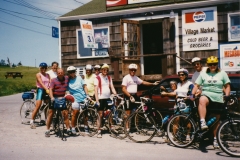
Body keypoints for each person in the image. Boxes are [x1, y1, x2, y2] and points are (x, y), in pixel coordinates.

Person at [191, 56, 231, 149]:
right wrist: (192, 94)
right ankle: (202, 122)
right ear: (208, 65)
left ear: (217, 64)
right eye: (210, 64)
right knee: (202, 99)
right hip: (207, 95)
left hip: (218, 97)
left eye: (214, 64)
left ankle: (215, 139)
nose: (212, 66)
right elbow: (196, 85)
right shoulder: (203, 73)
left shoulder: (222, 73)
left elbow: (227, 86)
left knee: (216, 121)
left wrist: (227, 95)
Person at [121, 63, 159, 131]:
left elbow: (143, 82)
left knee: (137, 111)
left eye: (134, 70)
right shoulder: (126, 78)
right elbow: (123, 89)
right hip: (128, 95)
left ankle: (136, 126)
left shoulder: (136, 78)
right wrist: (129, 96)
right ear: (129, 70)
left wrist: (153, 83)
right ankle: (127, 128)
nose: (133, 71)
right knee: (128, 112)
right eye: (132, 70)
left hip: (135, 95)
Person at [45, 68, 70, 137]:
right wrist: (52, 97)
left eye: (61, 72)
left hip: (62, 98)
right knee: (51, 113)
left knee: (65, 113)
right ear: (57, 73)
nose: (60, 74)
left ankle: (68, 129)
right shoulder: (53, 80)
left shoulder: (67, 78)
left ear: (64, 73)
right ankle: (47, 130)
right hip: (54, 97)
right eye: (59, 73)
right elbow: (50, 89)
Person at [94, 63, 117, 138]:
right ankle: (99, 130)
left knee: (110, 113)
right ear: (101, 70)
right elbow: (96, 89)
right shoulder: (97, 78)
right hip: (101, 98)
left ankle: (111, 128)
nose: (105, 71)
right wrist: (97, 100)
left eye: (107, 70)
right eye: (104, 70)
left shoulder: (109, 78)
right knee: (100, 114)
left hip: (108, 98)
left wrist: (115, 94)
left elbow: (112, 87)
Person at [67, 66, 90, 135]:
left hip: (83, 97)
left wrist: (87, 95)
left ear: (75, 72)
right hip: (74, 99)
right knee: (75, 113)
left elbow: (85, 86)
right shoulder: (68, 80)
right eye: (70, 72)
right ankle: (73, 128)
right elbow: (66, 90)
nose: (72, 73)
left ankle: (86, 127)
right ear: (69, 73)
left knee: (85, 114)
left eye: (73, 71)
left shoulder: (79, 78)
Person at [30, 62, 50, 129]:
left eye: (45, 68)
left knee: (47, 105)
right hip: (41, 90)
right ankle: (32, 121)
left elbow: (50, 82)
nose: (43, 69)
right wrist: (46, 89)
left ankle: (46, 120)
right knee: (38, 106)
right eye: (42, 68)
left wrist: (50, 89)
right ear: (40, 68)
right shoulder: (38, 74)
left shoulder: (48, 75)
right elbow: (40, 83)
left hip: (46, 90)